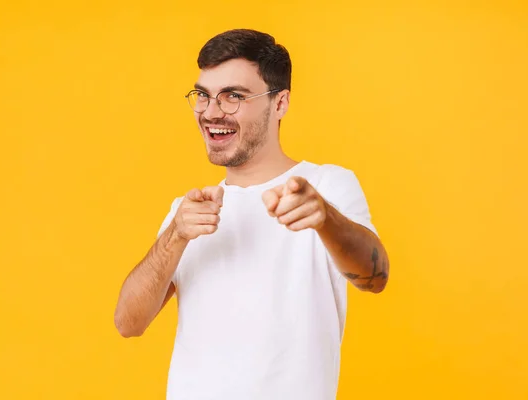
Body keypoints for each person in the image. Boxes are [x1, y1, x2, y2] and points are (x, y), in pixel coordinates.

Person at [114, 28, 390, 400]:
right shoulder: (189, 212)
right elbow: (128, 323)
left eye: (233, 97)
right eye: (203, 96)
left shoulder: (326, 185)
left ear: (280, 104)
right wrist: (175, 235)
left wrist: (325, 218)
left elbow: (375, 278)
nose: (212, 112)